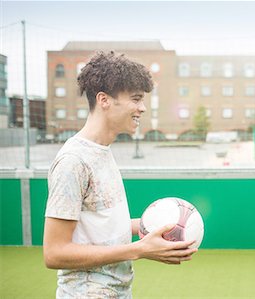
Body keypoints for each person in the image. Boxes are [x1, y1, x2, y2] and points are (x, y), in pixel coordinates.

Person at [43, 51, 197, 298]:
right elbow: (55, 253)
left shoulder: (103, 150)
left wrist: (157, 225)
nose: (142, 108)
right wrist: (139, 249)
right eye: (136, 99)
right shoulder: (73, 161)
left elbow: (99, 230)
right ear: (104, 100)